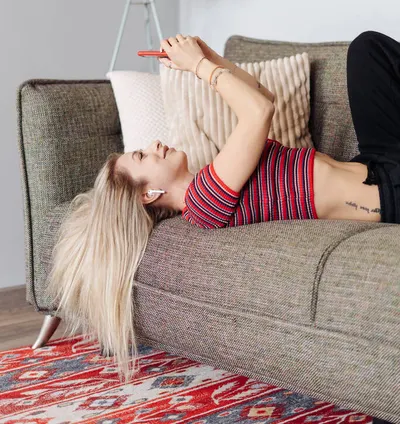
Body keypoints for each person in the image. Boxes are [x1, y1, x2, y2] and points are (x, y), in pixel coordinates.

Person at [48, 31, 400, 384]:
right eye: (142, 155)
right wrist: (198, 67)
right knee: (369, 50)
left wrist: (210, 57)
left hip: (375, 160)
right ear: (148, 194)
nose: (154, 144)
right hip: (388, 192)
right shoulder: (203, 201)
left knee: (367, 50)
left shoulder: (215, 177)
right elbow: (258, 112)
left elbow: (262, 96)